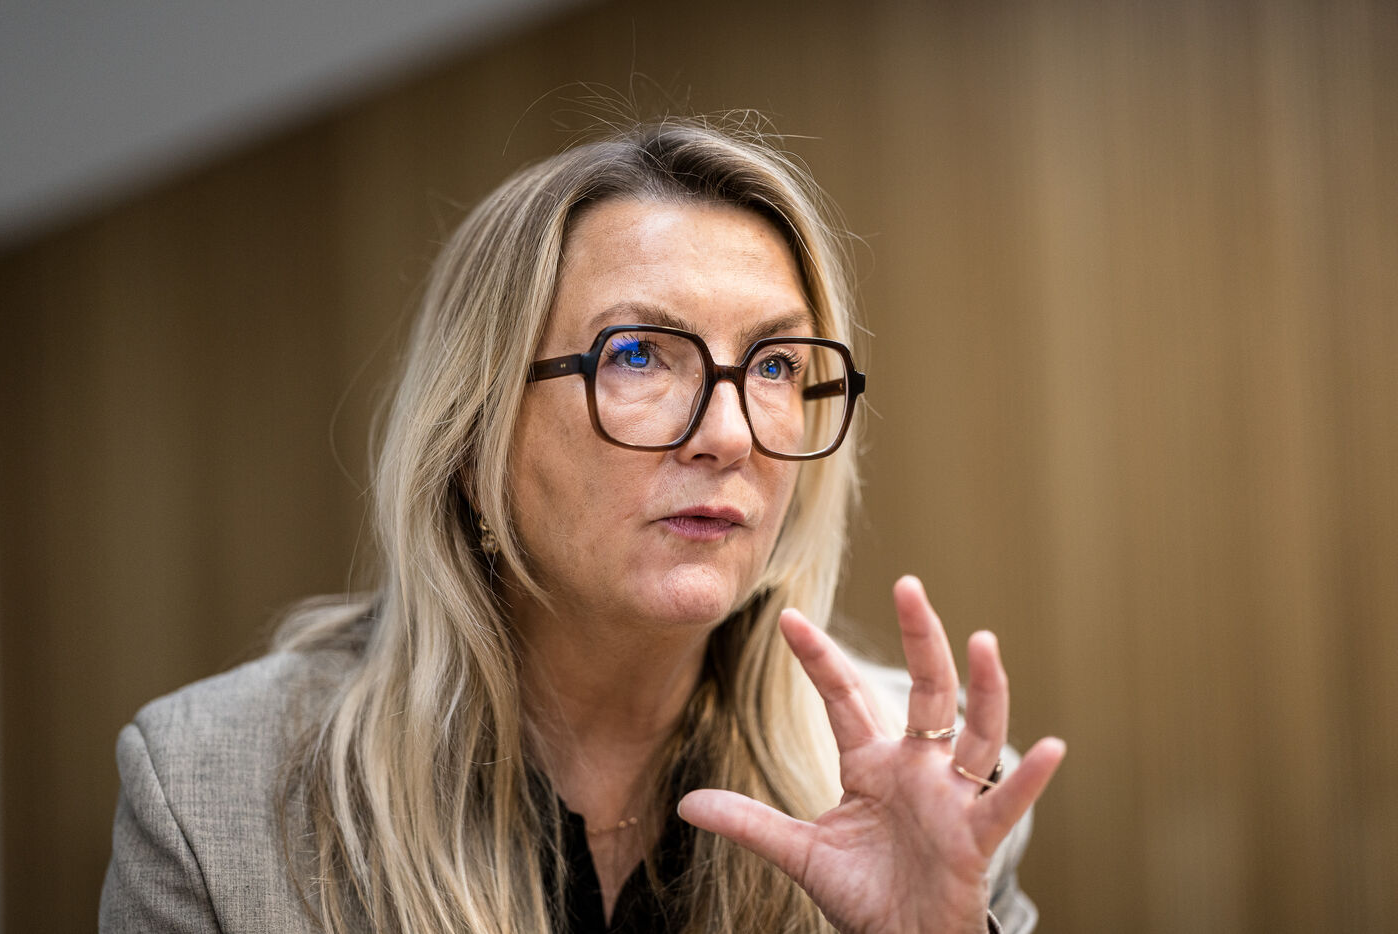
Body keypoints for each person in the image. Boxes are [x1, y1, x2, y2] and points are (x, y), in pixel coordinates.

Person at [99, 116, 1065, 934]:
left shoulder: (941, 798)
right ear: (473, 439)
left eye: (775, 366)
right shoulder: (207, 794)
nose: (730, 435)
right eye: (639, 354)